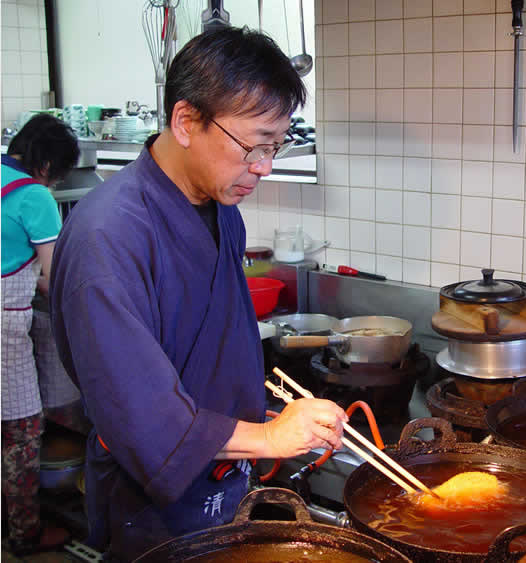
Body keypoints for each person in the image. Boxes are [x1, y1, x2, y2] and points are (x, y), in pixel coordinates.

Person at [49, 28, 348, 561]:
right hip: (153, 500)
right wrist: (270, 439)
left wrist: (270, 419)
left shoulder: (220, 210)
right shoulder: (109, 236)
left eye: (276, 146)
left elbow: (216, 345)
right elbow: (138, 412)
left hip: (223, 476)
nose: (264, 167)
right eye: (253, 146)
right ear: (186, 121)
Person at [1, 113, 80, 555]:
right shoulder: (33, 196)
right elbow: (55, 278)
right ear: (47, 165)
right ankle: (25, 532)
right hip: (5, 327)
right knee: (23, 429)